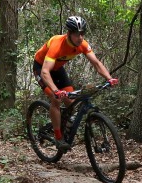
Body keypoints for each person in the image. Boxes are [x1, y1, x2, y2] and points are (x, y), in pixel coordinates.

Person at [33, 15, 118, 151]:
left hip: (57, 68)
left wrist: (109, 78)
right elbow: (45, 72)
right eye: (77, 34)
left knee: (71, 101)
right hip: (41, 68)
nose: (80, 37)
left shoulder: (82, 45)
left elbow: (96, 63)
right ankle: (58, 137)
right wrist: (56, 91)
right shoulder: (57, 44)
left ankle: (66, 124)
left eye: (82, 34)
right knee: (56, 99)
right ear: (69, 34)